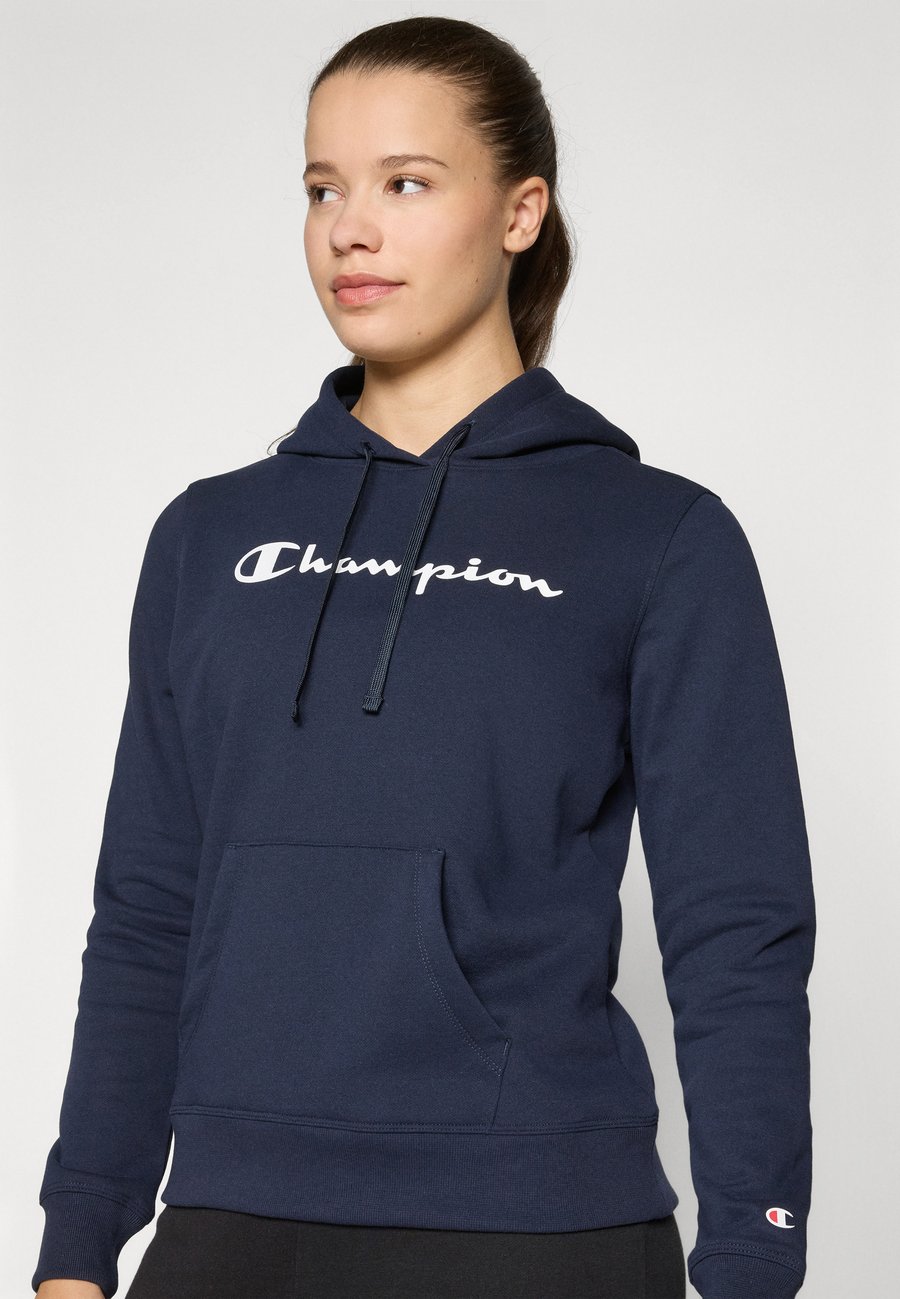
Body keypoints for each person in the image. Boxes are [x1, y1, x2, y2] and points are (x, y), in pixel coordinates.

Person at [31, 14, 816, 1299]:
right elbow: (148, 906)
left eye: (405, 183)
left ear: (520, 212)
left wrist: (752, 1257)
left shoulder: (656, 536)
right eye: (322, 189)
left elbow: (736, 928)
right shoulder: (209, 536)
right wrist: (79, 1240)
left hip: (539, 1228)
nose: (350, 229)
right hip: (232, 1224)